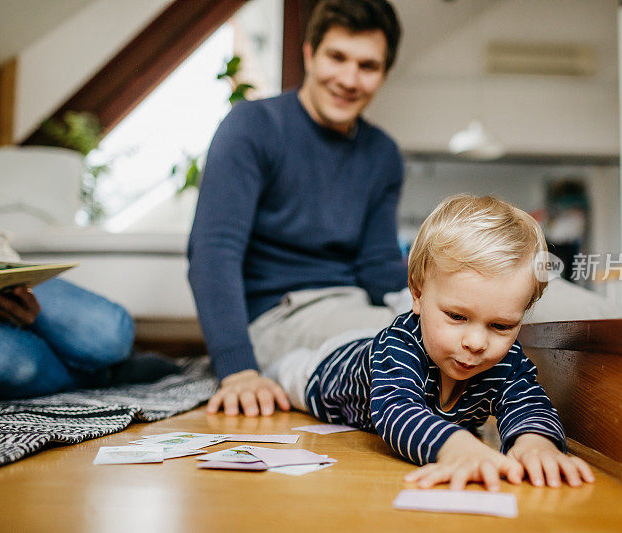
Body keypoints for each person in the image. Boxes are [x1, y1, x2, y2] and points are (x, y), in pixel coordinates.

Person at [262, 194, 595, 490]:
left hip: (373, 347)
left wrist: (535, 442)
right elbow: (397, 412)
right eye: (456, 316)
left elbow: (529, 403)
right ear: (417, 295)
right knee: (284, 374)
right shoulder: (399, 348)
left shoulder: (505, 361)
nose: (477, 342)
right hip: (327, 370)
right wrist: (455, 446)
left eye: (501, 325)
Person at [189, 0, 407, 416]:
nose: (348, 78)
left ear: (384, 73)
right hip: (278, 313)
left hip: (354, 303)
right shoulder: (252, 126)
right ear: (309, 53)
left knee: (459, 335)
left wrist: (435, 300)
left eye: (367, 66)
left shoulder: (383, 154)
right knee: (407, 352)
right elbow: (213, 252)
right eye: (336, 57)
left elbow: (378, 263)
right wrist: (238, 370)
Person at [0, 0, 141, 400]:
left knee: (110, 330)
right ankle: (101, 380)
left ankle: (96, 366)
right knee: (14, 364)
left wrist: (0, 283)